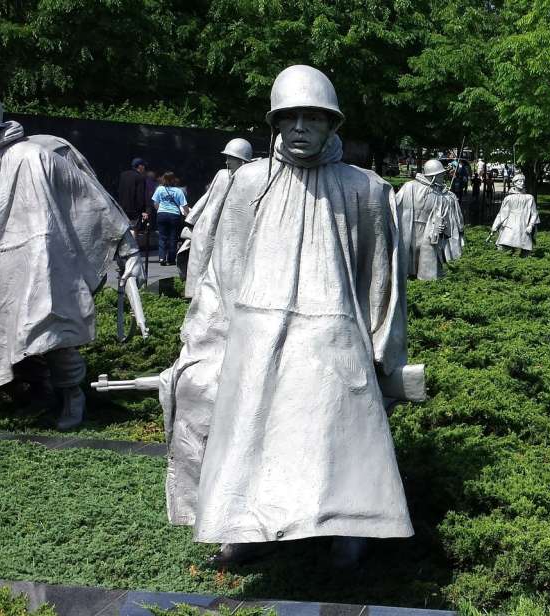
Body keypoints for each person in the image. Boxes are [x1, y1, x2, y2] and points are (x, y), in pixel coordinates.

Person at [158, 65, 419, 565]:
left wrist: (381, 345)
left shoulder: (365, 188)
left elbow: (381, 277)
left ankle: (348, 522)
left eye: (313, 118)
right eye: (290, 117)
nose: (300, 128)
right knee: (252, 429)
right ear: (275, 123)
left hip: (334, 333)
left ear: (331, 124)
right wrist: (206, 338)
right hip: (257, 333)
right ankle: (242, 525)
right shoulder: (249, 183)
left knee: (335, 431)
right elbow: (223, 270)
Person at [0, 87, 141, 430]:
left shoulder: (32, 157)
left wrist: (126, 243)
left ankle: (72, 395)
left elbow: (88, 195)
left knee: (49, 330)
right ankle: (31, 390)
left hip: (38, 260)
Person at [180, 138, 254, 297]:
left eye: (231, 158)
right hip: (210, 228)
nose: (227, 161)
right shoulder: (222, 176)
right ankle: (200, 295)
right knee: (204, 263)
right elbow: (207, 198)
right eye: (227, 157)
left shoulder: (250, 178)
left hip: (233, 231)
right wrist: (191, 221)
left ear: (242, 161)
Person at [397, 159, 454, 280]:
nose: (443, 177)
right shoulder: (410, 187)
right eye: (440, 175)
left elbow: (442, 215)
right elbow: (397, 205)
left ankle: (424, 277)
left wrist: (442, 226)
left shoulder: (440, 194)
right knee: (411, 251)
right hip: (410, 225)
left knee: (426, 254)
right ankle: (408, 274)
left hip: (429, 228)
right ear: (433, 176)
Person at [490, 173, 540, 254]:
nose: (522, 183)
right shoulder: (508, 198)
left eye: (523, 181)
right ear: (514, 183)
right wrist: (494, 227)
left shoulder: (529, 198)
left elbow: (534, 214)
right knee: (502, 248)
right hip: (509, 228)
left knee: (525, 252)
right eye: (520, 181)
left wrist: (531, 225)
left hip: (523, 227)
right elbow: (501, 214)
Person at [152, 172, 187, 265]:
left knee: (162, 237)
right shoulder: (178, 191)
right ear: (174, 180)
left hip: (162, 214)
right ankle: (171, 259)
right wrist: (187, 215)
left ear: (164, 179)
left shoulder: (160, 189)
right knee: (173, 238)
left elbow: (155, 203)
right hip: (174, 215)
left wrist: (160, 210)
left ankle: (162, 258)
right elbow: (184, 205)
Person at [118, 157, 151, 223]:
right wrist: (142, 210)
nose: (144, 167)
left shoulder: (123, 175)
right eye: (143, 165)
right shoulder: (140, 177)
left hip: (122, 207)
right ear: (139, 166)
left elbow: (119, 190)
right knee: (133, 229)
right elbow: (140, 195)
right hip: (134, 210)